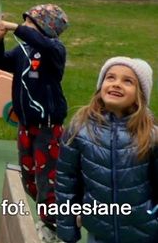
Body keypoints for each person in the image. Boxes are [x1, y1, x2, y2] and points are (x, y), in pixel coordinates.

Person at [55, 57, 157, 243]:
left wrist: (152, 214)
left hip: (144, 232)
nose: (117, 84)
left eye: (128, 81)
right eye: (110, 78)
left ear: (140, 94)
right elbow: (66, 181)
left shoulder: (151, 135)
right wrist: (67, 227)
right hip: (98, 230)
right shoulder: (80, 128)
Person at [0, 3, 70, 235]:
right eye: (24, 22)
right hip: (26, 126)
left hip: (47, 128)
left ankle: (54, 226)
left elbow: (41, 43)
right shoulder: (23, 51)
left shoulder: (54, 50)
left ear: (46, 29)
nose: (24, 26)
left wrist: (15, 27)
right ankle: (47, 218)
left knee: (48, 179)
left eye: (29, 23)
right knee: (30, 179)